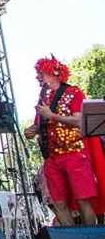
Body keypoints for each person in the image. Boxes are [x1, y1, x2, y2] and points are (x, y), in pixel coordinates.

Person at [23, 56, 105, 226]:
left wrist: (51, 115)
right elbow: (41, 124)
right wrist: (33, 129)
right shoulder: (43, 98)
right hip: (51, 158)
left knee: (83, 200)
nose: (37, 77)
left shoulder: (73, 92)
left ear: (54, 72)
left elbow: (78, 120)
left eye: (40, 73)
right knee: (58, 203)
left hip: (74, 154)